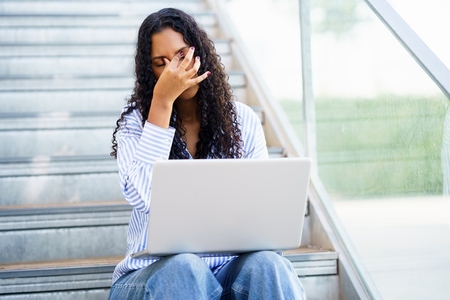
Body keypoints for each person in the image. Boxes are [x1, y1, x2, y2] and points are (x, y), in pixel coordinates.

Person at [109, 7, 306, 300]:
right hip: (152, 277)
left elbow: (262, 221)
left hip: (226, 271)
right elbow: (142, 194)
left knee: (268, 265)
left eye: (180, 56)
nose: (174, 70)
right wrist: (162, 102)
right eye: (160, 63)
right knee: (184, 268)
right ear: (149, 71)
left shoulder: (242, 120)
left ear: (199, 53)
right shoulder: (136, 124)